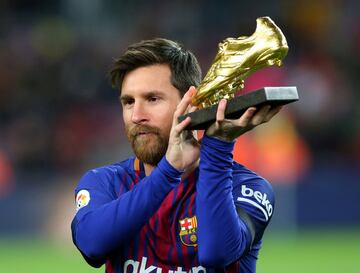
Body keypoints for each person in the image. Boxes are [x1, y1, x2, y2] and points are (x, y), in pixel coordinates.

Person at [71, 38, 281, 273]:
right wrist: (169, 170)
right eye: (128, 102)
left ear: (191, 105)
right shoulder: (105, 182)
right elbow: (90, 245)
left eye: (152, 99)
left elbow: (217, 253)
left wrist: (219, 147)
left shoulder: (247, 187)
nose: (136, 116)